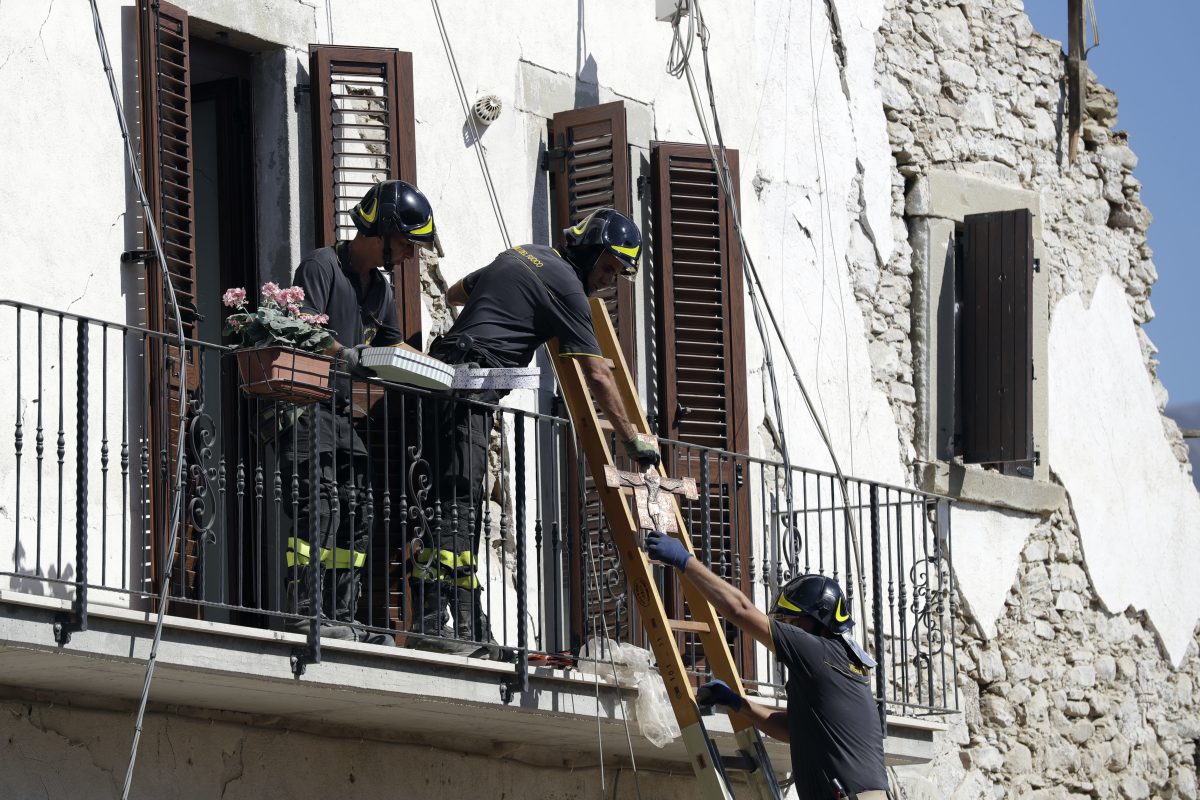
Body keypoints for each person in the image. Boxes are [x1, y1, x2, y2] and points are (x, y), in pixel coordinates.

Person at [410, 208, 660, 657]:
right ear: (589, 251)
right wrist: (632, 439)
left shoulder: (524, 254)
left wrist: (518, 306)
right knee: (459, 505)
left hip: (446, 378)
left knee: (449, 503)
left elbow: (455, 291)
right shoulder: (568, 287)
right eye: (608, 267)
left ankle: (464, 624)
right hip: (471, 386)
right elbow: (597, 374)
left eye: (617, 274)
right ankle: (441, 626)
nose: (608, 281)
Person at [271, 179, 436, 645]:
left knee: (357, 512)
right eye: (406, 242)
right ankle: (306, 611)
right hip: (308, 408)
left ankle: (343, 616)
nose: (410, 254)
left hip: (344, 416)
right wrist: (345, 354)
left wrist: (441, 372)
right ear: (380, 230)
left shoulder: (380, 290)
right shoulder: (320, 266)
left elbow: (392, 346)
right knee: (319, 508)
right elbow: (302, 328)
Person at [644, 531, 890, 800]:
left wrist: (685, 561)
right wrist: (739, 703)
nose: (787, 628)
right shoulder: (836, 663)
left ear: (818, 620)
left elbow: (740, 610)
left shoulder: (815, 651)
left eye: (792, 621)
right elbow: (791, 730)